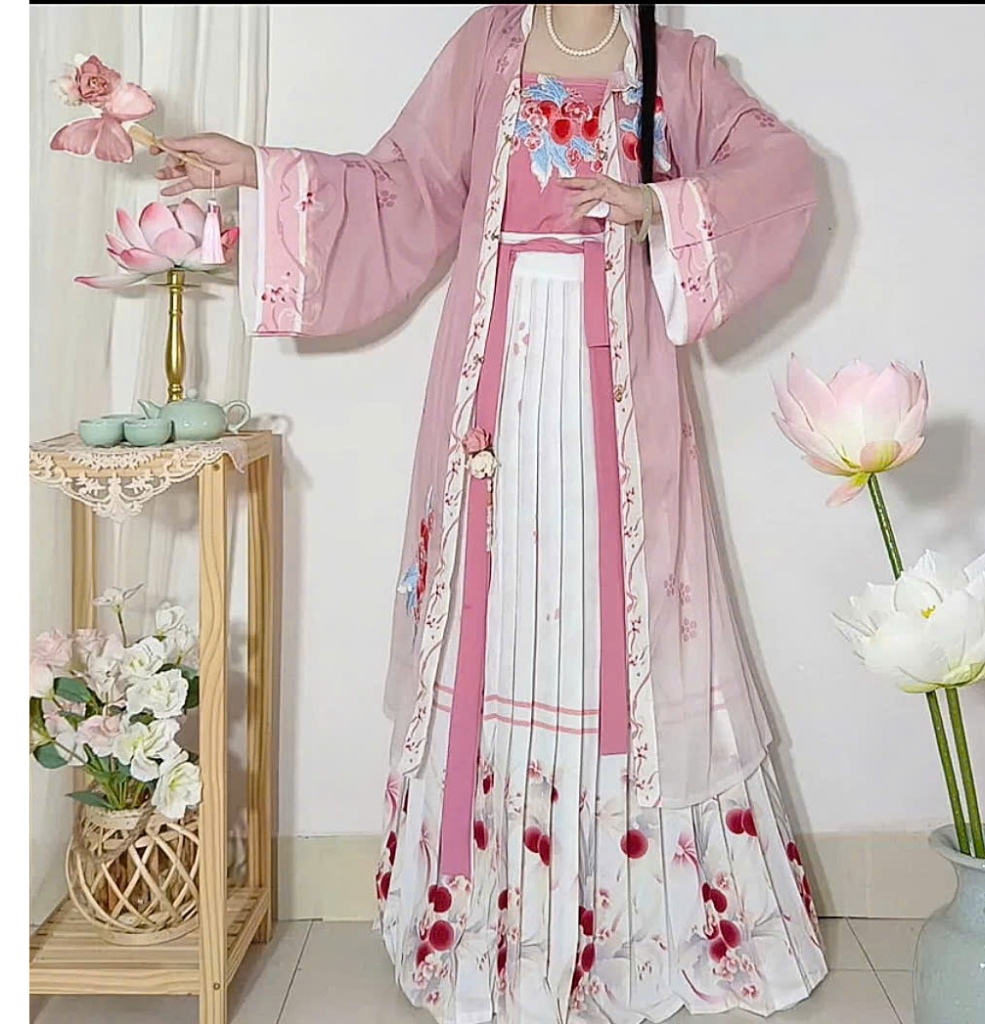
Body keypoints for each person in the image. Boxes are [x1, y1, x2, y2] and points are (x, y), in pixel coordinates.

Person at [156, 5, 826, 1021]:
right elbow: (401, 185)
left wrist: (659, 204)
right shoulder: (489, 46)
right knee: (495, 614)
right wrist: (258, 166)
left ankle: (631, 927)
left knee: (615, 618)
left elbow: (780, 171)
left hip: (615, 401)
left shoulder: (677, 65)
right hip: (496, 389)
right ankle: (495, 918)